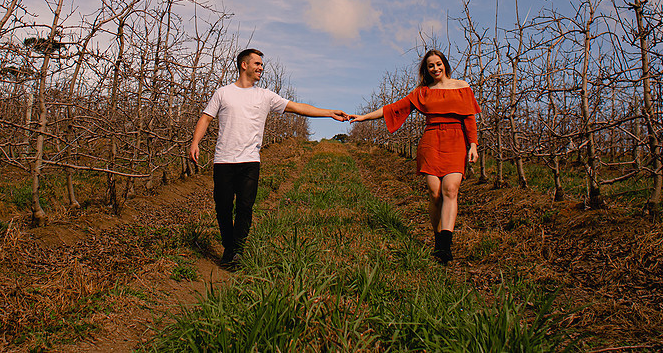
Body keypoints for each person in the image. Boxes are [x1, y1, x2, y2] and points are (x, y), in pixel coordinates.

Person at [189, 48, 348, 268]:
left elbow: (298, 108)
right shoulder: (223, 93)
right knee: (223, 207)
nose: (261, 68)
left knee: (245, 207)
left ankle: (237, 251)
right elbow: (206, 118)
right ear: (244, 65)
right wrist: (195, 142)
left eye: (261, 64)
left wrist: (329, 112)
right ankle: (228, 246)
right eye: (257, 63)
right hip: (224, 160)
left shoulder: (265, 96)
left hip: (250, 161)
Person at [349, 49, 479, 264]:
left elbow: (469, 118)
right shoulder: (423, 92)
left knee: (450, 189)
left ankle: (445, 248)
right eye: (431, 66)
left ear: (445, 64)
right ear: (426, 69)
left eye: (438, 64)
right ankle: (438, 239)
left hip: (456, 140)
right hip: (432, 141)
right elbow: (394, 108)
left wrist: (472, 145)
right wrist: (364, 117)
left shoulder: (462, 87)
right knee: (435, 193)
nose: (435, 68)